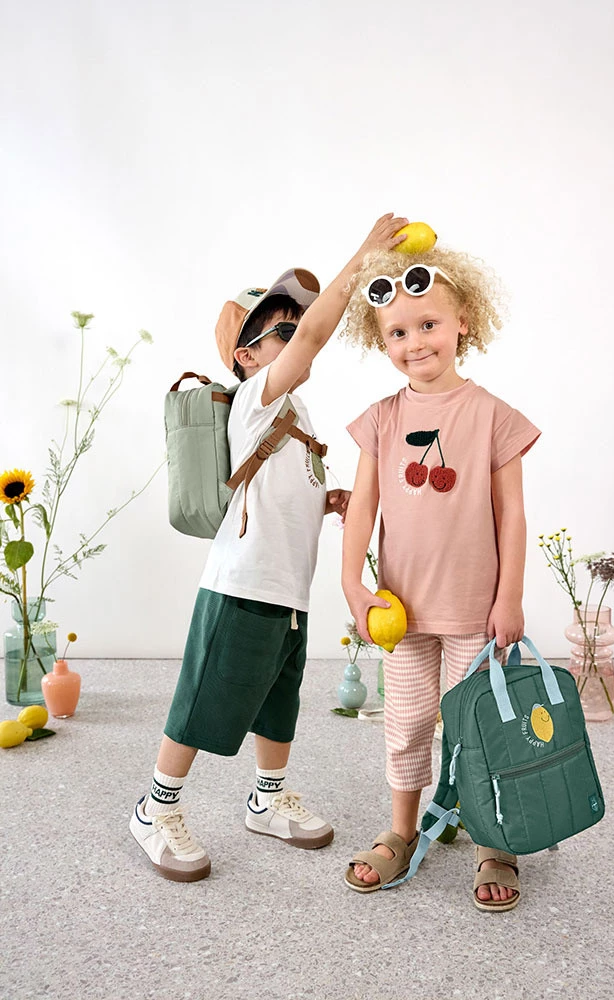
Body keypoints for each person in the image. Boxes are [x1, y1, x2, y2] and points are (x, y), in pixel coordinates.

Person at [130, 214, 408, 881]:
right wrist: (363, 256)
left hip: (287, 590)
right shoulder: (254, 397)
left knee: (278, 700)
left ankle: (266, 797)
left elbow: (283, 487)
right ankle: (154, 807)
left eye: (295, 327)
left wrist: (328, 499)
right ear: (247, 355)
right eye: (282, 332)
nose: (297, 337)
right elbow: (314, 339)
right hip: (242, 584)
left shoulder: (294, 413)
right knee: (204, 697)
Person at [341, 245, 540, 910]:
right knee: (404, 723)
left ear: (463, 323)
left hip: (474, 609)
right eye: (397, 332)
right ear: (381, 341)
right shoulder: (381, 419)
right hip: (401, 611)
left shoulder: (492, 415)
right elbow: (362, 508)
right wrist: (352, 584)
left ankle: (491, 839)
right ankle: (402, 829)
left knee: (478, 731)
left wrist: (509, 596)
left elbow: (512, 514)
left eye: (428, 324)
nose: (414, 342)